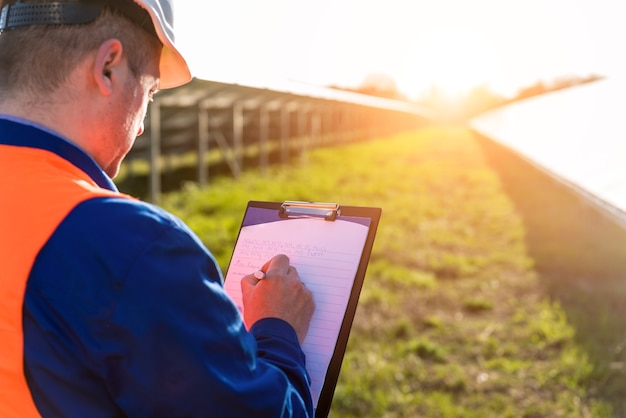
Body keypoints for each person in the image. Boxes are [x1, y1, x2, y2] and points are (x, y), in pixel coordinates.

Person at [0, 0, 315, 416]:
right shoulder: (133, 247)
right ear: (109, 67)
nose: (143, 123)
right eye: (149, 92)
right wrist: (278, 328)